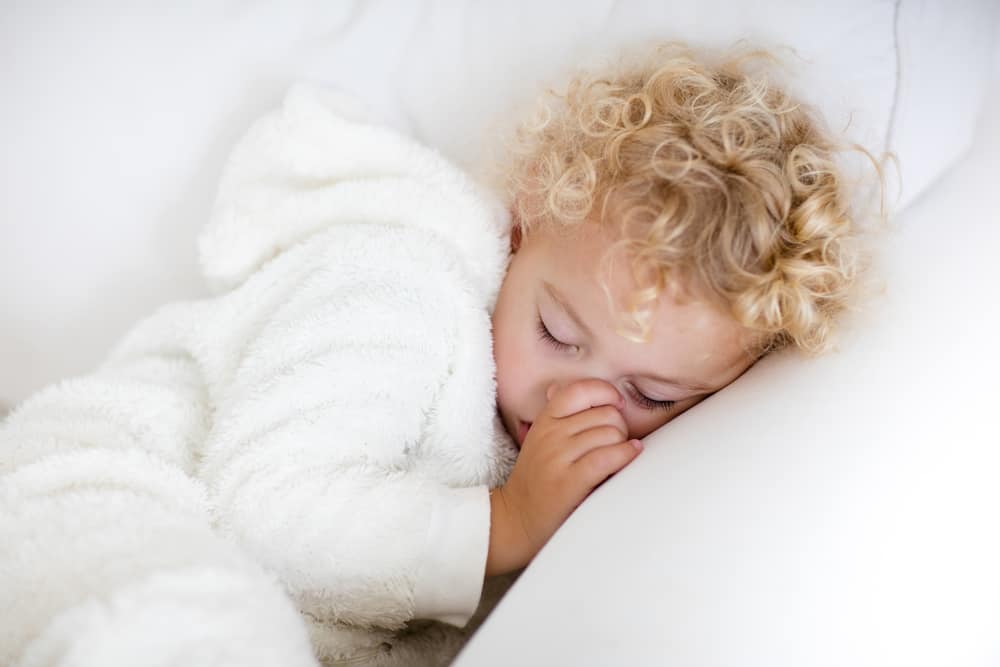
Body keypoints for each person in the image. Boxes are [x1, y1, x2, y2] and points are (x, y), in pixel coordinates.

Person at [0, 43, 876, 667]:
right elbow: (266, 508)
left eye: (649, 392)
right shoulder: (398, 285)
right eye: (559, 334)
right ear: (524, 226)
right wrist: (506, 524)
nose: (576, 398)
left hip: (236, 576)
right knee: (196, 634)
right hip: (105, 493)